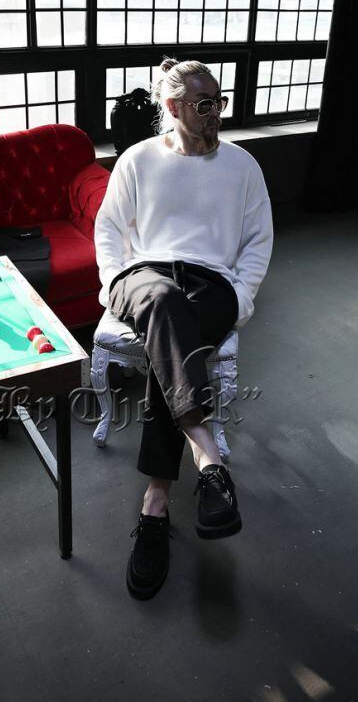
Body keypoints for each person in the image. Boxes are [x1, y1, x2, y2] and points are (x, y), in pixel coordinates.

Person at [94, 57, 274, 599]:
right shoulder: (138, 159)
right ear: (173, 107)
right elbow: (109, 228)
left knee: (173, 331)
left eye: (220, 102)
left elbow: (259, 241)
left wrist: (242, 296)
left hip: (212, 284)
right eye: (204, 105)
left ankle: (156, 502)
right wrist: (114, 279)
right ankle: (208, 460)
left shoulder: (242, 167)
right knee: (165, 303)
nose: (217, 113)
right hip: (142, 278)